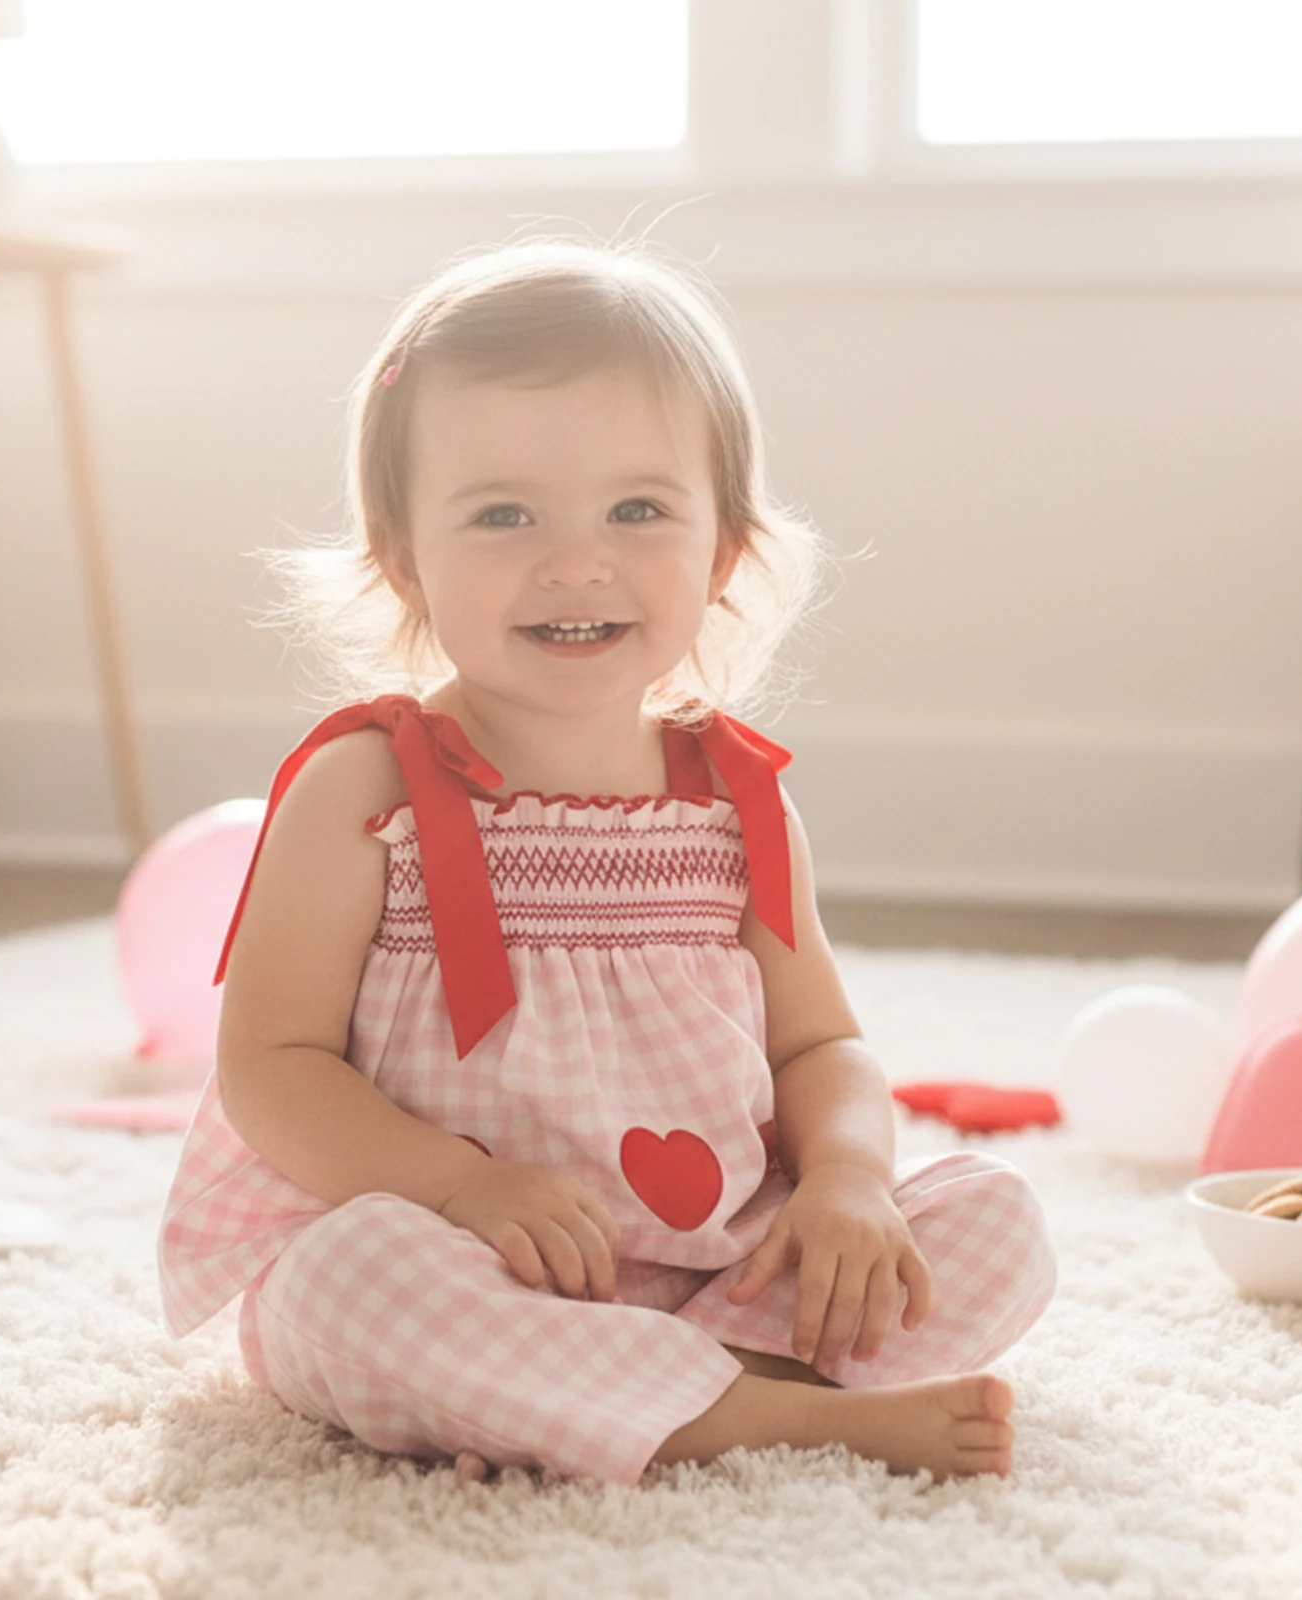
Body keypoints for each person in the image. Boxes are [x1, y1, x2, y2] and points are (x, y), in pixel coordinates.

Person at [157, 238, 1056, 1488]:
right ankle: (774, 1418)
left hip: (717, 1268)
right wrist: (458, 1188)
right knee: (343, 1289)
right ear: (405, 556)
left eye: (637, 510)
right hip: (463, 1252)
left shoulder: (735, 801)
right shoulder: (365, 793)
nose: (576, 560)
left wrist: (848, 1180)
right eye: (503, 513)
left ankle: (663, 1391)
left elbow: (818, 1047)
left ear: (722, 553)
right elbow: (269, 1067)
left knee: (993, 1216)